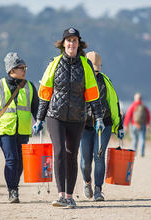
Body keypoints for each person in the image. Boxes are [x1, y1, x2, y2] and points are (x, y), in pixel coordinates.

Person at [33, 27, 103, 208]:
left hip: (77, 117)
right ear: (63, 44)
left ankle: (70, 196)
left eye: (75, 40)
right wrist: (39, 118)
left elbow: (93, 94)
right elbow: (45, 93)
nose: (71, 43)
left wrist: (99, 118)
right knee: (59, 152)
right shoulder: (54, 63)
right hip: (55, 115)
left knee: (72, 155)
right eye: (69, 40)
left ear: (79, 44)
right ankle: (61, 195)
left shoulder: (85, 65)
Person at [0, 52, 39, 203]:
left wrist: (40, 121)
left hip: (23, 130)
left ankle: (14, 186)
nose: (24, 70)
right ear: (11, 70)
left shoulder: (30, 86)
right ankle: (13, 191)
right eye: (21, 67)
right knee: (12, 159)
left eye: (25, 67)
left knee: (21, 162)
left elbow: (37, 108)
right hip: (4, 130)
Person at [80, 51, 124, 201]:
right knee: (85, 161)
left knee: (99, 157)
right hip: (84, 126)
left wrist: (119, 126)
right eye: (93, 70)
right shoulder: (79, 81)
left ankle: (98, 190)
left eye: (97, 70)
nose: (95, 73)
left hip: (103, 125)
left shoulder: (106, 82)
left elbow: (114, 104)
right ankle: (87, 182)